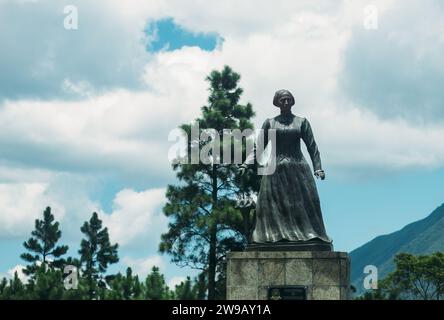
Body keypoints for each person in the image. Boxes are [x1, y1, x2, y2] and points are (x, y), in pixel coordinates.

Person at [239, 89, 332, 250]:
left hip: (298, 169)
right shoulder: (270, 123)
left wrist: (318, 168)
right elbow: (258, 147)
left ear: (292, 101)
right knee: (270, 206)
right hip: (275, 170)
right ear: (277, 103)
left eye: (289, 99)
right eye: (283, 100)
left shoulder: (301, 122)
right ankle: (272, 237)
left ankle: (308, 236)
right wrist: (246, 164)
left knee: (303, 205)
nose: (286, 102)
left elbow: (312, 147)